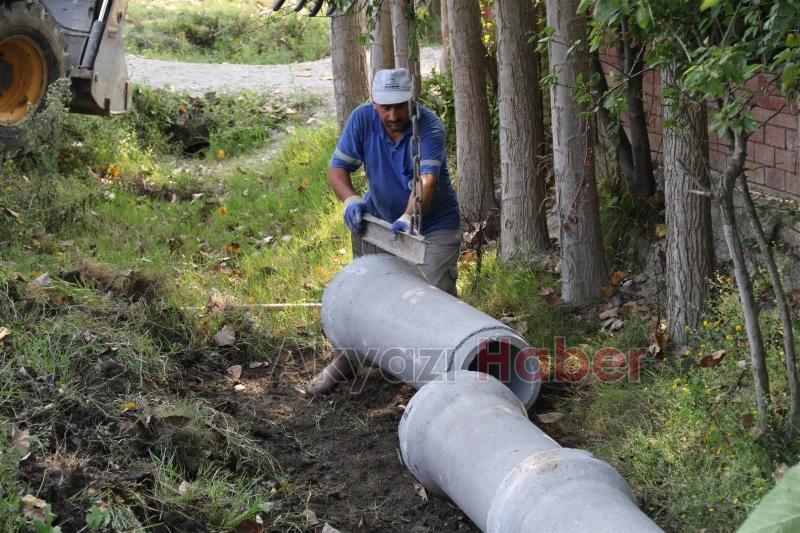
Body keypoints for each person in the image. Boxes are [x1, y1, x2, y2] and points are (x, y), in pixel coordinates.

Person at [307, 68, 461, 396]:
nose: (393, 115)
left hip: (433, 225)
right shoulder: (362, 119)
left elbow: (427, 180)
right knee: (369, 295)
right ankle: (348, 362)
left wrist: (408, 215)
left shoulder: (428, 126)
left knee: (437, 301)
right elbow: (337, 170)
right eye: (384, 107)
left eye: (400, 106)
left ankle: (441, 381)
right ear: (374, 103)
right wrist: (350, 200)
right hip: (379, 223)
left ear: (411, 100)